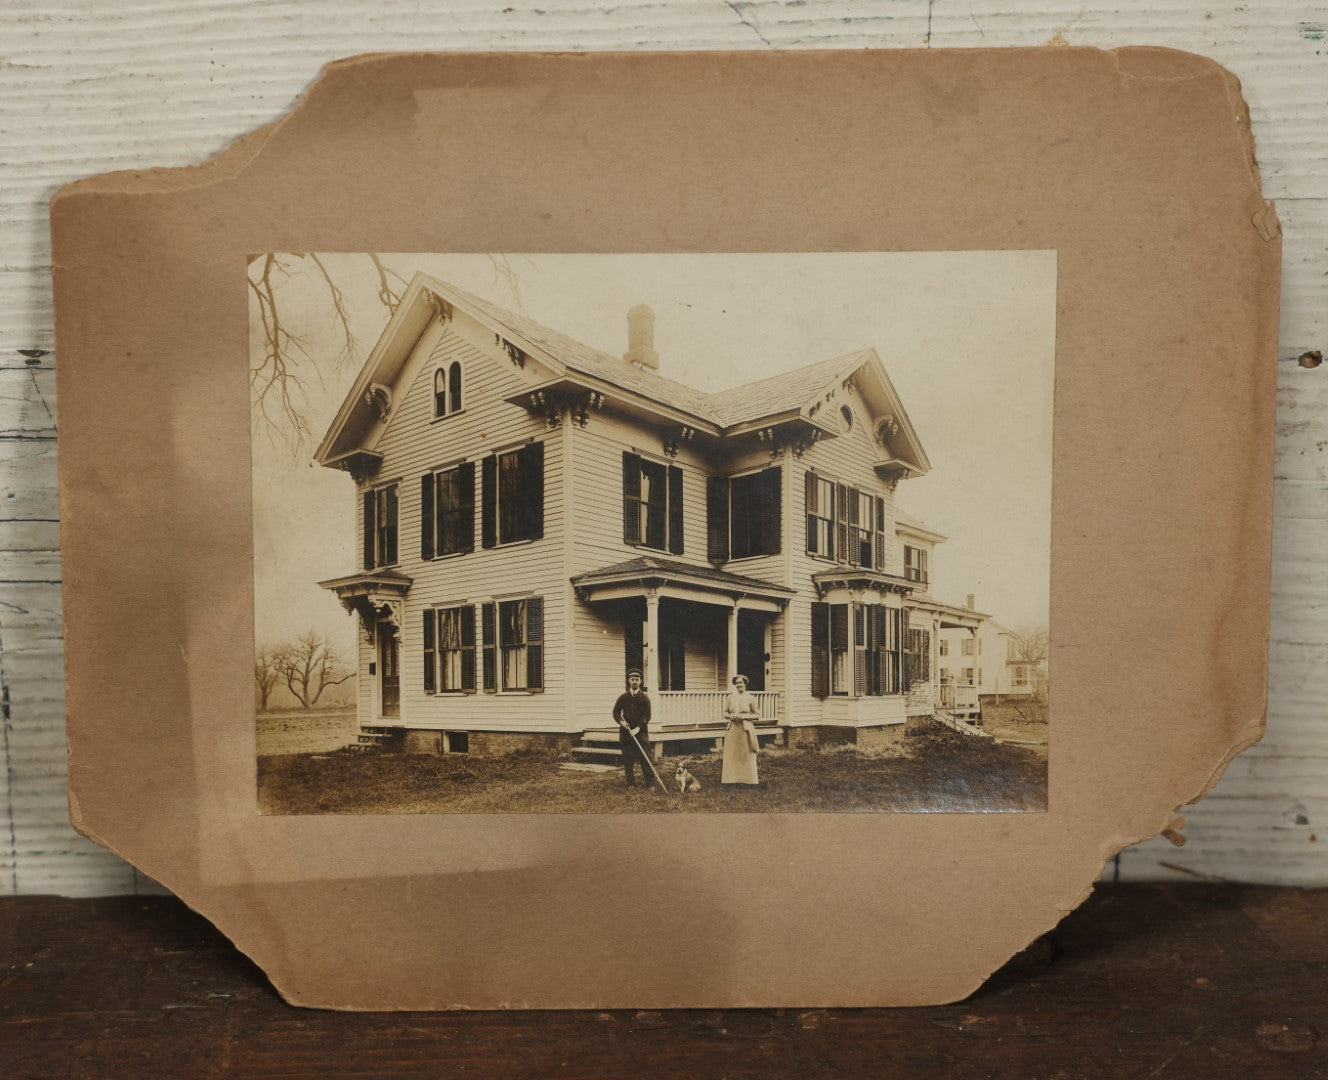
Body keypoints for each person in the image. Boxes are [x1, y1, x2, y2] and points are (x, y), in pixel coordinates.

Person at [612, 668, 655, 789]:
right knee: (628, 759)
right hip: (626, 733)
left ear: (640, 681)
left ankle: (650, 784)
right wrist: (621, 722)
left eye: (637, 679)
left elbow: (647, 716)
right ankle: (630, 783)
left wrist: (638, 728)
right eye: (632, 679)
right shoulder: (623, 697)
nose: (634, 681)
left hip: (641, 733)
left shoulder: (644, 698)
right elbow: (616, 712)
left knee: (645, 758)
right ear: (628, 681)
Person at [721, 674, 760, 786]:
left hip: (745, 729)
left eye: (740, 682)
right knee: (732, 754)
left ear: (745, 683)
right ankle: (731, 780)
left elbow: (757, 715)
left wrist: (744, 717)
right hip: (733, 728)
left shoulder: (751, 698)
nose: (739, 685)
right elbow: (725, 712)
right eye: (737, 683)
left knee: (745, 754)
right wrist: (730, 716)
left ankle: (748, 780)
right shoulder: (730, 697)